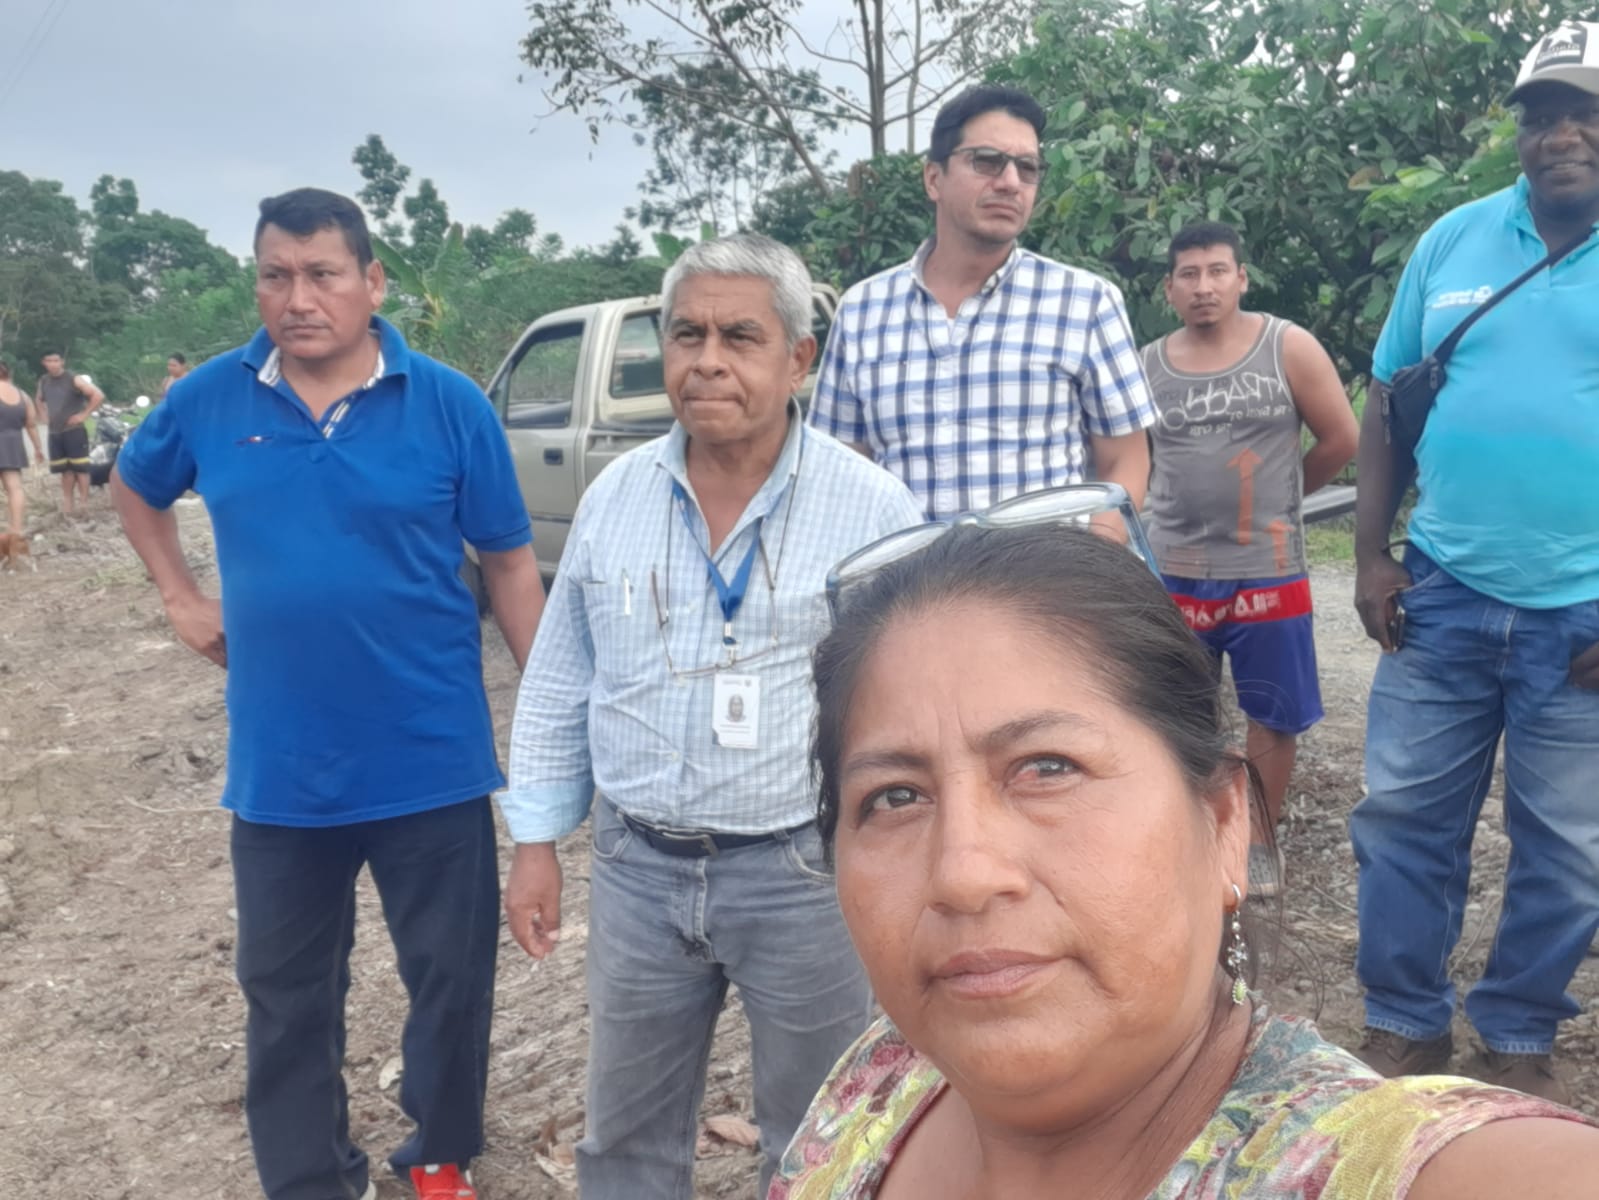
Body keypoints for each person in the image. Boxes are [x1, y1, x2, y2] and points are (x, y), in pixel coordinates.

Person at [771, 521, 1599, 1200]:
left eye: (1048, 767)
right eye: (894, 797)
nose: (962, 873)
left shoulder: (1409, 1172)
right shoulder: (881, 1084)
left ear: (1224, 822)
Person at [110, 187, 545, 1200]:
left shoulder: (448, 404)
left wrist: (554, 703)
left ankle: (438, 1155)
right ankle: (309, 1177)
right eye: (276, 276)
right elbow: (135, 484)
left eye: (322, 274)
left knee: (449, 977)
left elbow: (510, 564)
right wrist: (179, 595)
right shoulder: (209, 400)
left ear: (372, 282)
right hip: (282, 767)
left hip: (429, 752)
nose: (298, 298)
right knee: (284, 991)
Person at [500, 233, 923, 1200]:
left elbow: (912, 704)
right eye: (685, 335)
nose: (706, 362)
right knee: (625, 1137)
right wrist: (535, 841)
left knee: (815, 1137)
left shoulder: (872, 510)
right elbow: (561, 678)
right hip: (637, 866)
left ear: (798, 358)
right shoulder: (615, 497)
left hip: (802, 873)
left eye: (740, 337)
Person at [1348, 21, 1599, 1102]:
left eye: (1584, 112)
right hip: (1442, 589)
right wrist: (1369, 555)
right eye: (1541, 115)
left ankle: (1518, 1031)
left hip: (1584, 616)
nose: (1560, 135)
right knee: (1403, 819)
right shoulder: (1453, 240)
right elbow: (1386, 396)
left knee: (1570, 847)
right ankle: (1404, 1021)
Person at [809, 84, 1155, 521]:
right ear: (933, 178)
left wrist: (1096, 550)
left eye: (1027, 168)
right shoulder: (862, 312)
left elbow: (1125, 459)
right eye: (987, 161)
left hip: (1045, 565)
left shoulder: (1085, 304)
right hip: (907, 566)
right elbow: (841, 466)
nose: (1010, 183)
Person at [1142, 221, 1358, 897]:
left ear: (1241, 278)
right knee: (1176, 707)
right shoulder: (1148, 364)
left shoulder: (1285, 346)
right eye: (1188, 274)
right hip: (1175, 570)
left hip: (1269, 566)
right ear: (1169, 288)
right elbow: (1128, 456)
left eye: (1217, 271)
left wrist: (1284, 498)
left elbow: (1340, 437)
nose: (1203, 286)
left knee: (1273, 710)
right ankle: (1190, 834)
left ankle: (1258, 841)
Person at [34, 350, 103, 515]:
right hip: (55, 432)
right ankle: (68, 505)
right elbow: (38, 399)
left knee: (81, 469)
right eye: (49, 361)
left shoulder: (73, 378)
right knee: (65, 470)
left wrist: (83, 415)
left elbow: (98, 395)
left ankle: (84, 504)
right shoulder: (44, 381)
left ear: (62, 362)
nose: (53, 364)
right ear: (44, 363)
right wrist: (43, 416)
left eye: (56, 360)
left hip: (74, 431)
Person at [0, 360, 46, 536]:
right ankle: (16, 530)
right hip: (13, 445)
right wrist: (38, 448)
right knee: (15, 488)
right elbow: (31, 425)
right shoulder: (23, 395)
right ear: (9, 374)